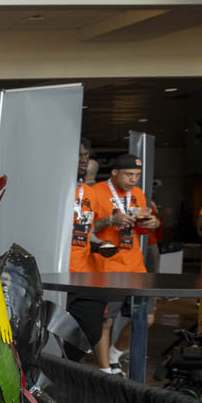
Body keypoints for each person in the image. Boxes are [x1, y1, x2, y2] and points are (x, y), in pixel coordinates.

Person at [87, 153, 160, 373]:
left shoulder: (137, 193)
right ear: (114, 172)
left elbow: (140, 229)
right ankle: (105, 370)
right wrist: (110, 220)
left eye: (137, 175)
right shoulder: (96, 192)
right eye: (128, 174)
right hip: (106, 266)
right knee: (105, 320)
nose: (133, 180)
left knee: (146, 318)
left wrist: (152, 223)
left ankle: (115, 354)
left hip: (135, 266)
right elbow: (85, 228)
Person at [65, 138, 108, 369]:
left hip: (83, 273)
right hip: (55, 272)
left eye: (86, 155)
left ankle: (59, 367)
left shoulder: (88, 192)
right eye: (78, 154)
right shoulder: (54, 190)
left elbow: (87, 230)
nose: (83, 160)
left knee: (91, 330)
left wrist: (99, 244)